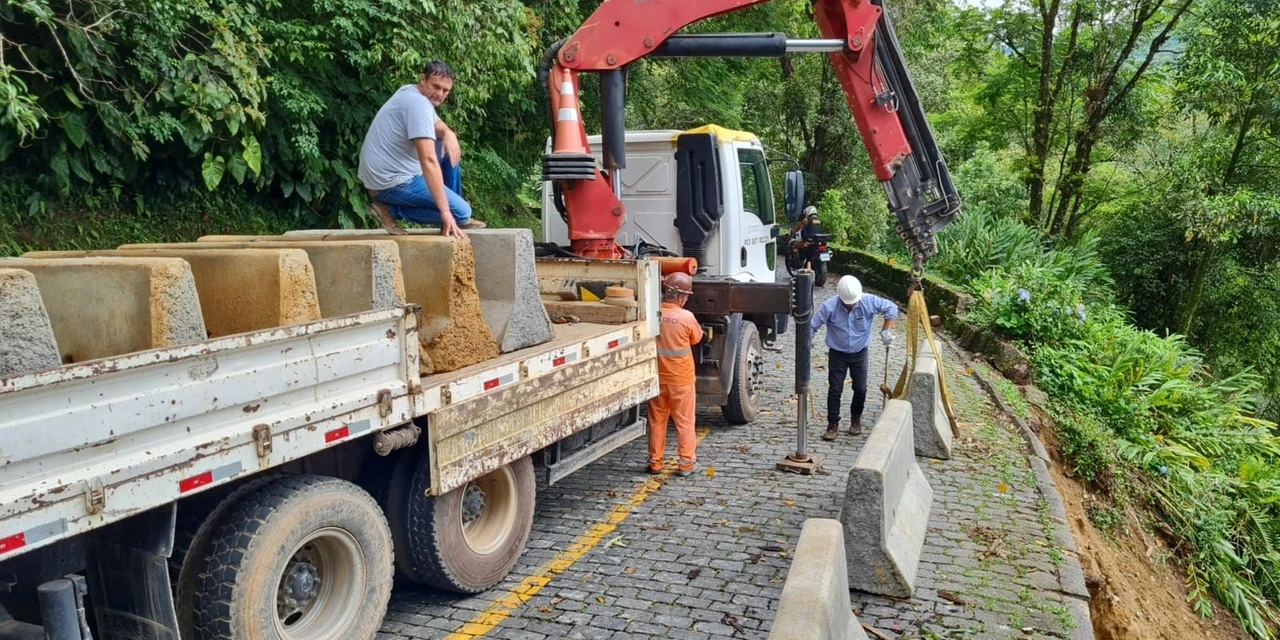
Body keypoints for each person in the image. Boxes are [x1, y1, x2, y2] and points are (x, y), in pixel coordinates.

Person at [358, 61, 484, 237]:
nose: (440, 94)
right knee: (462, 213)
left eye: (445, 90)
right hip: (390, 183)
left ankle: (451, 216)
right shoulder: (418, 105)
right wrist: (446, 211)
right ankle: (390, 210)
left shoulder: (411, 91)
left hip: (392, 173)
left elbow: (437, 125)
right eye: (436, 86)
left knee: (449, 150)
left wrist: (449, 133)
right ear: (423, 80)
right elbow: (428, 160)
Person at [810, 275, 898, 440]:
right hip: (837, 354)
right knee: (835, 389)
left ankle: (856, 419)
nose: (850, 306)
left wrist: (886, 331)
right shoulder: (829, 306)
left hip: (860, 353)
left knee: (860, 388)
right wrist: (806, 343)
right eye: (847, 303)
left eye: (853, 303)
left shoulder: (868, 301)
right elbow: (812, 325)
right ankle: (832, 423)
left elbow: (892, 309)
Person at [648, 272, 705, 476]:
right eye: (687, 296)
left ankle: (655, 462)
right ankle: (686, 463)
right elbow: (697, 339)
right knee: (685, 422)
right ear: (680, 296)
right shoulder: (686, 317)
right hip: (681, 379)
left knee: (657, 420)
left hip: (658, 378)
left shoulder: (653, 315)